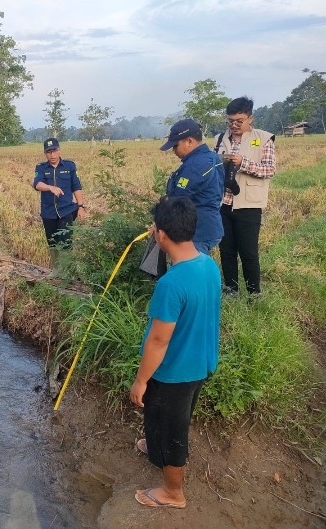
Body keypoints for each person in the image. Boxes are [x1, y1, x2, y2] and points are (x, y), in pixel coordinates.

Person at [130, 196, 221, 509]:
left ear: (162, 235)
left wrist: (141, 380)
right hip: (201, 362)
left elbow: (158, 340)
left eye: (156, 228)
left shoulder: (171, 284)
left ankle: (173, 492)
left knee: (173, 429)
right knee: (162, 416)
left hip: (175, 371)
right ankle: (155, 449)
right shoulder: (208, 265)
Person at [215, 97, 276, 296]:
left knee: (248, 252)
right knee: (226, 251)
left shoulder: (264, 139)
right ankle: (231, 290)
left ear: (251, 118)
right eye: (230, 121)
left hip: (249, 205)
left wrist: (244, 163)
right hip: (223, 204)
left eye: (239, 121)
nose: (234, 125)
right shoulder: (219, 139)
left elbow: (269, 170)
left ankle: (254, 293)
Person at [160, 118, 225, 255]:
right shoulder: (210, 157)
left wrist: (161, 221)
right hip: (208, 226)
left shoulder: (196, 165)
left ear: (189, 141)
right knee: (199, 268)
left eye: (175, 146)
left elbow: (177, 199)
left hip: (198, 232)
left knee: (191, 271)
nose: (174, 151)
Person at [32, 137, 86, 276]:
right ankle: (56, 270)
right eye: (49, 152)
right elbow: (37, 184)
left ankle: (67, 272)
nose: (52, 155)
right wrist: (50, 187)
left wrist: (81, 206)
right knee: (52, 241)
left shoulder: (69, 166)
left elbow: (76, 186)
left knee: (65, 240)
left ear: (59, 150)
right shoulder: (41, 168)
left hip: (66, 210)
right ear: (45, 153)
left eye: (54, 151)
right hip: (48, 211)